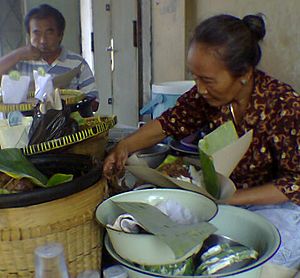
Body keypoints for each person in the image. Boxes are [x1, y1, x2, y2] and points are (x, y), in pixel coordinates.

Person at [104, 14, 300, 269]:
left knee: (265, 258)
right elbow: (169, 123)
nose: (200, 89)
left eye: (207, 80)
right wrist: (124, 147)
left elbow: (295, 183)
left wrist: (233, 200)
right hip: (222, 197)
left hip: (275, 206)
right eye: (195, 78)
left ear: (244, 73)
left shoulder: (284, 107)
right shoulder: (206, 98)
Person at [0, 4, 99, 111]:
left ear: (60, 35)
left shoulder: (77, 63)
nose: (42, 40)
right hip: (25, 126)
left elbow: (94, 103)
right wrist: (17, 54)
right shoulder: (19, 62)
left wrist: (67, 101)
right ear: (29, 35)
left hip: (64, 124)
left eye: (49, 33)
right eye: (36, 33)